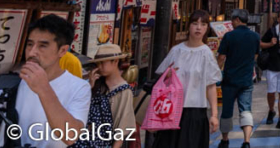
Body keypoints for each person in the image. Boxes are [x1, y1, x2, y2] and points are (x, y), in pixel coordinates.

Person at [16, 15, 91, 148]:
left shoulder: (79, 87)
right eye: (30, 44)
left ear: (62, 50)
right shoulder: (13, 80)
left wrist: (43, 88)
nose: (32, 52)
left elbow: (71, 136)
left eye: (42, 46)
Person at [153, 10, 222, 148]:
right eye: (195, 23)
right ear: (188, 26)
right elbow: (161, 78)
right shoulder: (176, 51)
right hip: (171, 110)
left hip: (195, 111)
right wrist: (167, 75)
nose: (198, 28)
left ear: (207, 28)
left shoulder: (206, 54)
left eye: (203, 24)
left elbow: (211, 86)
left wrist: (214, 115)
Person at [75, 44, 136, 148]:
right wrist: (90, 87)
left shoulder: (124, 91)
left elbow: (121, 129)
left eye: (103, 63)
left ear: (115, 61)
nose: (99, 66)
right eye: (98, 63)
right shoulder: (96, 83)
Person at [216, 9, 260, 148]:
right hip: (246, 79)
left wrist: (216, 71)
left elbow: (222, 57)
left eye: (232, 20)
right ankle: (246, 141)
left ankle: (225, 140)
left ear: (236, 20)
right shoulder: (255, 36)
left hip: (230, 79)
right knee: (246, 109)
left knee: (227, 110)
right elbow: (255, 56)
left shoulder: (229, 36)